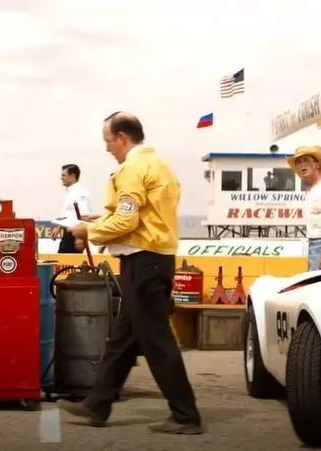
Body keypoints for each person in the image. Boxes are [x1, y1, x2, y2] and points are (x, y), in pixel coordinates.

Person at [59, 111, 203, 434]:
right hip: (156, 258)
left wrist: (88, 230)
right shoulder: (160, 166)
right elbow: (144, 215)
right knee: (123, 339)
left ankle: (186, 415)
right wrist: (100, 221)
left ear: (122, 138)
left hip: (142, 261)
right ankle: (98, 405)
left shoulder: (131, 169)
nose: (107, 148)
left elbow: (127, 220)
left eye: (108, 141)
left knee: (156, 340)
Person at [54, 164, 91, 253]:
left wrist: (80, 238)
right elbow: (69, 214)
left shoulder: (80, 192)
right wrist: (59, 227)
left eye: (63, 175)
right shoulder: (71, 192)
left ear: (72, 176)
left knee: (68, 260)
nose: (61, 178)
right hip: (68, 233)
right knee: (62, 259)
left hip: (75, 235)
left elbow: (84, 214)